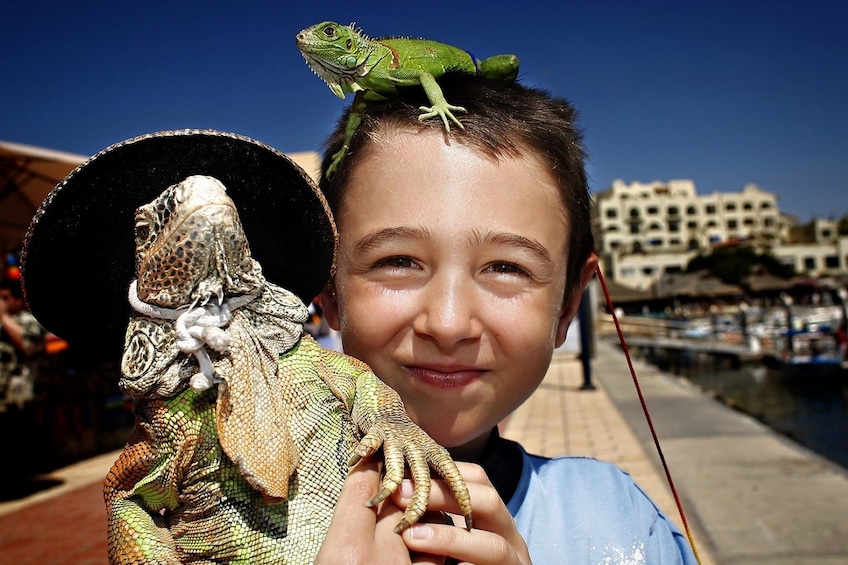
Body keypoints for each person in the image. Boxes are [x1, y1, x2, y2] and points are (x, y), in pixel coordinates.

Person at [314, 72, 698, 563]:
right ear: (326, 291)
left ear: (567, 307)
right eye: (398, 261)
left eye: (506, 268)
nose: (449, 324)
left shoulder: (620, 523)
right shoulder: (205, 513)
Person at [0, 275, 46, 486]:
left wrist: (4, 318)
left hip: (19, 398)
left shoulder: (27, 321)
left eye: (5, 297)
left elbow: (27, 345)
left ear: (17, 300)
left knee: (18, 443)